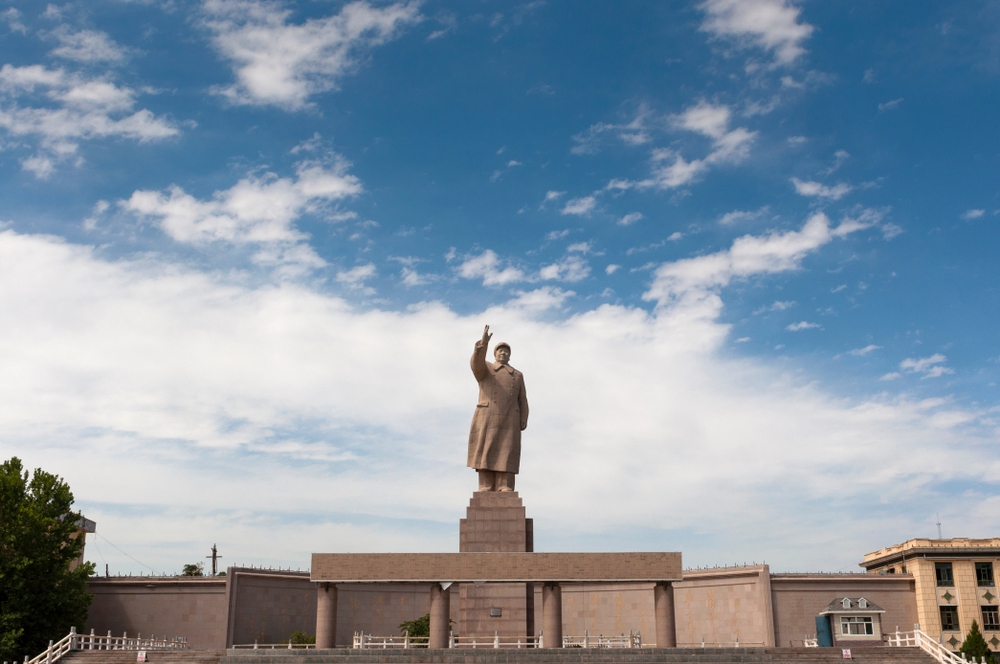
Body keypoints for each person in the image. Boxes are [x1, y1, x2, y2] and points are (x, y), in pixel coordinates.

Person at [467, 325, 528, 492]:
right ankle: (485, 485)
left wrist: (523, 417)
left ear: (510, 355)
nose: (503, 353)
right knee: (486, 449)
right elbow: (476, 363)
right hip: (488, 416)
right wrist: (483, 344)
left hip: (510, 419)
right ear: (494, 354)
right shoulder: (486, 369)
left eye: (506, 351)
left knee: (507, 451)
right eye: (500, 351)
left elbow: (522, 398)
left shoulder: (517, 375)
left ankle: (504, 485)